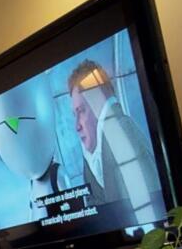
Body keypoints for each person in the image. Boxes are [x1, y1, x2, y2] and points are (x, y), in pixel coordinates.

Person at [65, 58, 165, 231]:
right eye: (75, 114)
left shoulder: (123, 131)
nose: (77, 126)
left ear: (99, 105)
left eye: (81, 111)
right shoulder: (91, 159)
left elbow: (152, 218)